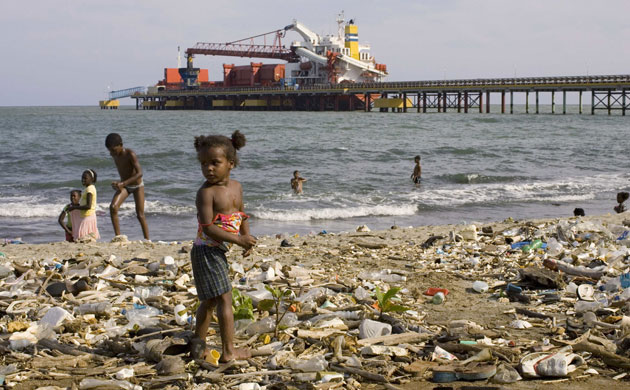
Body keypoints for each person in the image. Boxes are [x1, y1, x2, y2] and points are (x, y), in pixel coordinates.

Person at [190, 130, 257, 362]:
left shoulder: (236, 187)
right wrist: (238, 240)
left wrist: (246, 237)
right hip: (205, 251)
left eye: (214, 163)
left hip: (218, 251)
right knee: (224, 299)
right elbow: (208, 227)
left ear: (231, 163)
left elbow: (241, 214)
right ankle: (229, 352)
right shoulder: (205, 193)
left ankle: (197, 347)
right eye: (204, 163)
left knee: (209, 300)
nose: (208, 168)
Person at [105, 133, 149, 240]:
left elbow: (139, 173)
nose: (112, 153)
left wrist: (123, 184)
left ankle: (147, 239)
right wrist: (118, 184)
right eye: (110, 151)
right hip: (125, 186)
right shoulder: (114, 155)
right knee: (113, 208)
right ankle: (118, 237)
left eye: (114, 150)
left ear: (121, 145)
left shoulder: (130, 154)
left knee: (140, 214)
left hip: (137, 186)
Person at [68, 169, 100, 241]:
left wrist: (74, 207)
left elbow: (88, 206)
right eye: (82, 178)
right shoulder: (88, 188)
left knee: (83, 237)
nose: (83, 180)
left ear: (92, 179)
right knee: (85, 238)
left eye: (85, 178)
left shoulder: (89, 190)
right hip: (87, 216)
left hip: (88, 216)